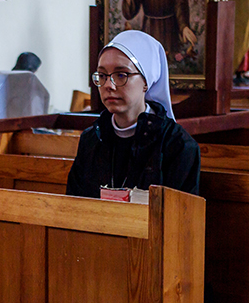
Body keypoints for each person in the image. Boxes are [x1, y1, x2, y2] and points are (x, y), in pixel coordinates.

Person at [66, 30, 200, 198]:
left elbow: (181, 216)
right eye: (102, 75)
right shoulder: (91, 139)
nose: (109, 85)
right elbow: (73, 204)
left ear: (146, 82)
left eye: (121, 75)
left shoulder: (177, 145)